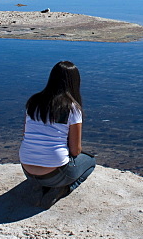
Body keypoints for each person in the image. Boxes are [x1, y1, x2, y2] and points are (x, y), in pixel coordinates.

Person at [19, 60, 96, 207]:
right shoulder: (72, 108)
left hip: (27, 169)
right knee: (90, 162)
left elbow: (26, 134)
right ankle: (63, 189)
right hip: (56, 174)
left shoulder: (33, 102)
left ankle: (38, 186)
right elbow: (75, 150)